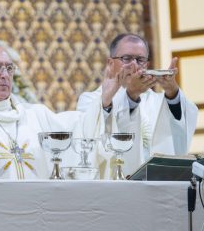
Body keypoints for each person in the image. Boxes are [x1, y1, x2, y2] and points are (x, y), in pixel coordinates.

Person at [0, 45, 124, 179]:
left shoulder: (36, 115)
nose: (4, 75)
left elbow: (81, 129)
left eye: (9, 68)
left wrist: (104, 99)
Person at [77, 33, 198, 178]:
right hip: (114, 186)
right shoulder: (91, 100)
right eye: (126, 58)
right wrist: (131, 96)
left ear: (146, 65)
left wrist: (172, 92)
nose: (134, 65)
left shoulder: (160, 101)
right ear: (110, 63)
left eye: (140, 60)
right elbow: (90, 137)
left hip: (157, 186)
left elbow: (182, 127)